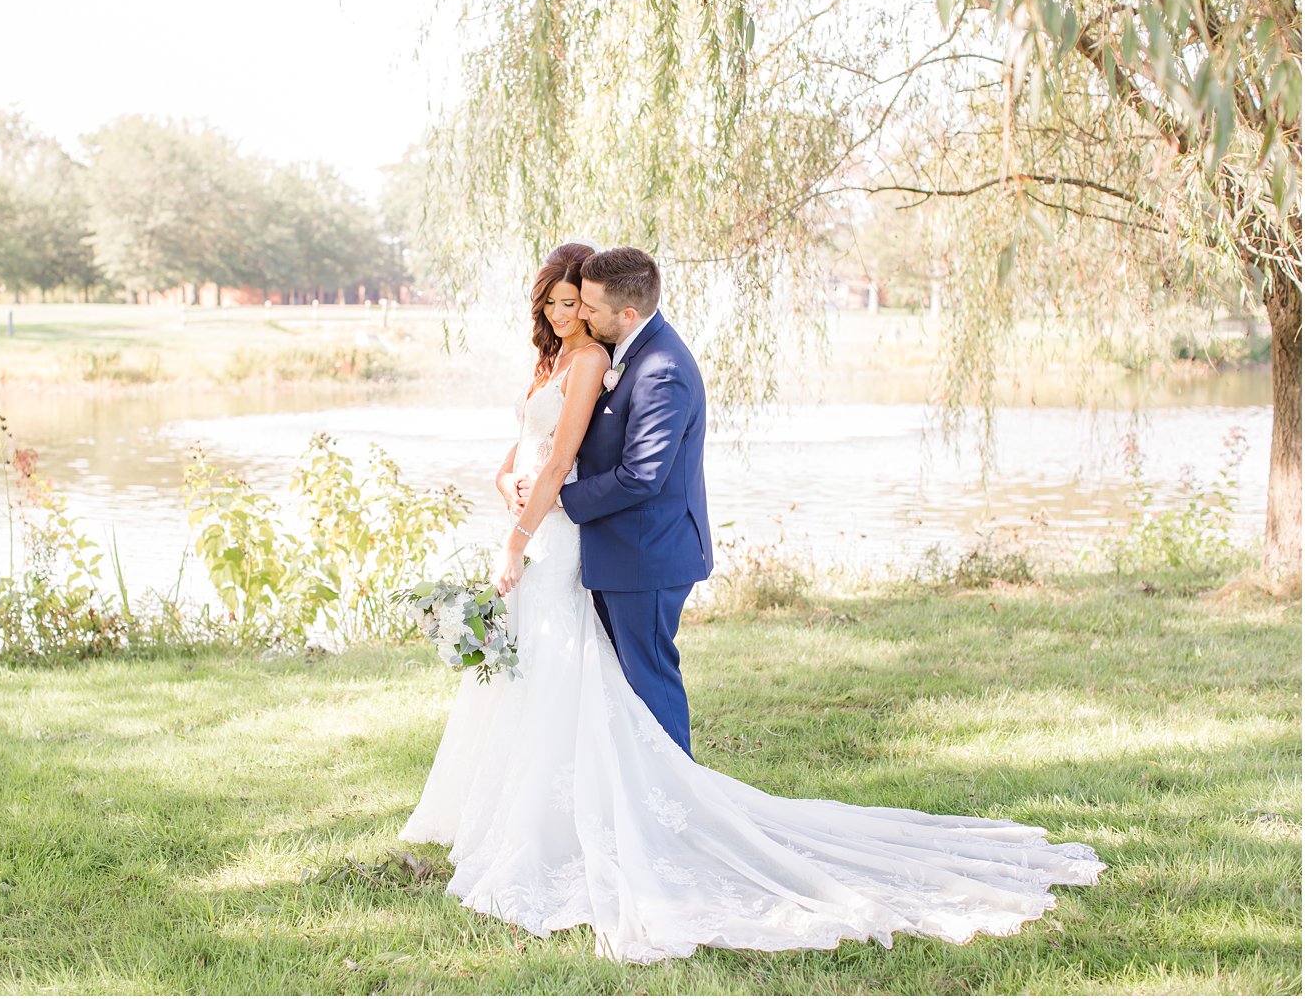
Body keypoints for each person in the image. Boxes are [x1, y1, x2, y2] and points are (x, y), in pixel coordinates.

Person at [398, 243, 1104, 964]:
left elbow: (640, 476)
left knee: (644, 682)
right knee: (608, 689)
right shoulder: (622, 354)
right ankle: (632, 810)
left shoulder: (663, 368)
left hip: (643, 551)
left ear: (624, 311)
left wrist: (553, 507)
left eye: (590, 305)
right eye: (566, 301)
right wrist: (527, 492)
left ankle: (674, 816)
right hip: (604, 546)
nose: (579, 314)